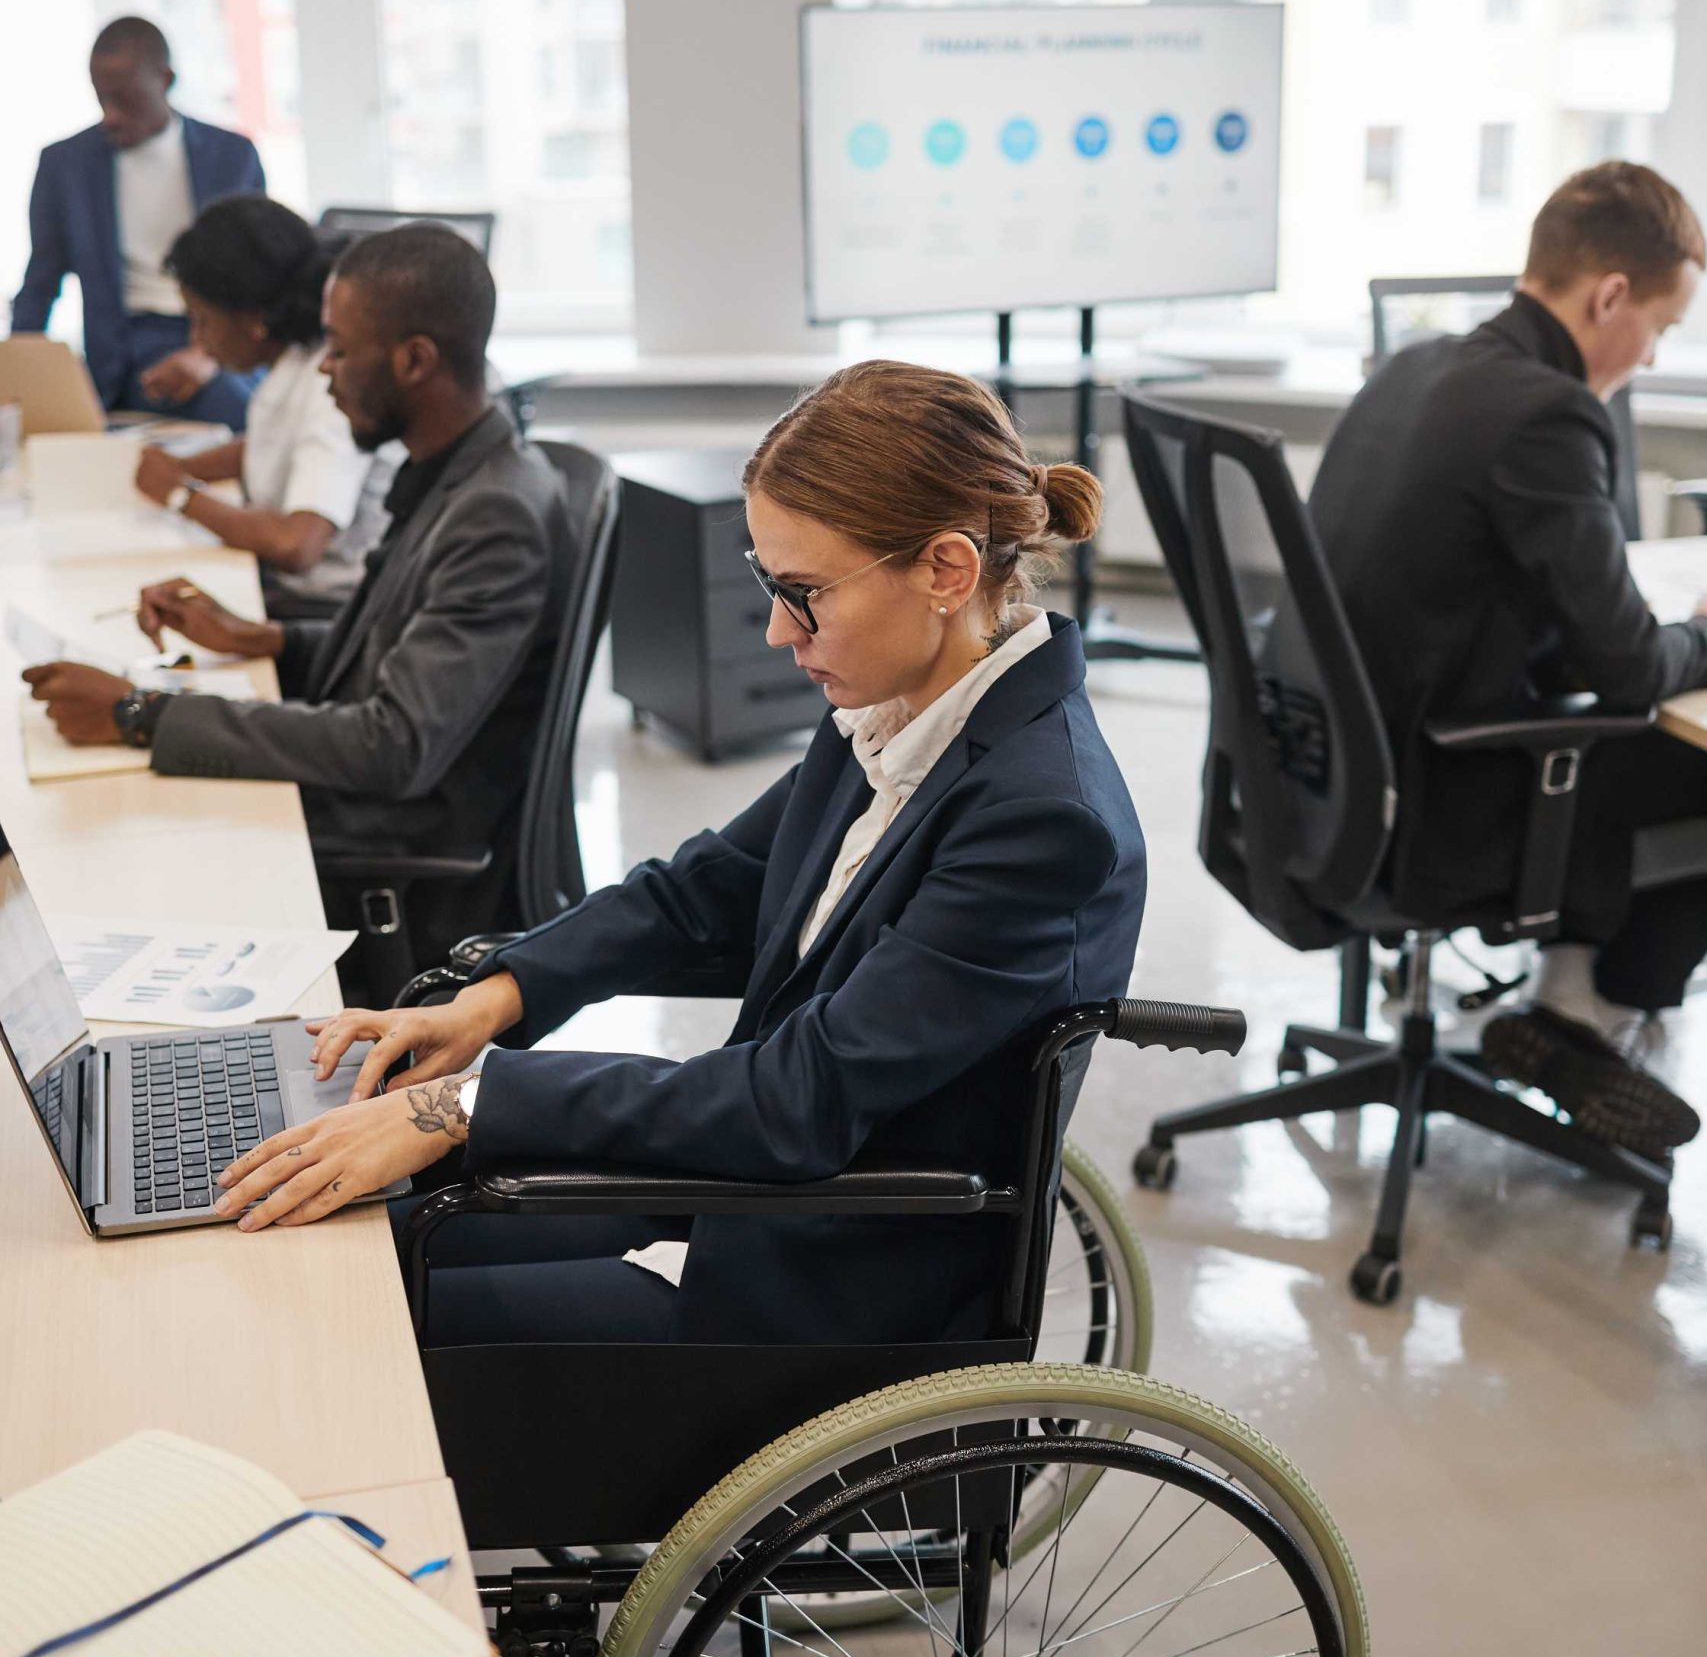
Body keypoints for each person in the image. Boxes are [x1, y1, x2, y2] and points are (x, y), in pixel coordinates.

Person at [199, 361, 1147, 1353]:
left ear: (948, 572)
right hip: (753, 1193)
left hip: (828, 1286)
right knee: (359, 1235)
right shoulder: (896, 699)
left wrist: (467, 1103)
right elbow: (700, 896)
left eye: (805, 594)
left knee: (358, 1320)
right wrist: (495, 997)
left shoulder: (1043, 823)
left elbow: (797, 1097)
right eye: (768, 586)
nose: (781, 631)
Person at [24, 224, 572, 994]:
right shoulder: (457, 473)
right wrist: (266, 636)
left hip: (405, 853)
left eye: (342, 350)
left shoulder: (494, 513)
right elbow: (402, 649)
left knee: (113, 847)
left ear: (414, 360)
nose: (324, 367)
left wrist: (140, 714)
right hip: (380, 807)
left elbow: (392, 744)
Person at [1308, 160, 1707, 1155]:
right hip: (1442, 800)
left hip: (1328, 773)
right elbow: (1628, 670)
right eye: (1660, 327)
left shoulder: (1419, 361)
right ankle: (1593, 1013)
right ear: (1609, 294)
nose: (1652, 354)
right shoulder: (1549, 414)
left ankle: (1568, 995)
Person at [131, 194, 393, 617]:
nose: (198, 341)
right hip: (304, 596)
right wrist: (183, 469)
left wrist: (181, 494)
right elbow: (273, 445)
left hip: (327, 610)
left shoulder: (328, 381)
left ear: (254, 320)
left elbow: (297, 544)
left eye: (203, 320)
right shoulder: (296, 361)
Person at [10, 16, 267, 424]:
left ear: (165, 79)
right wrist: (16, 381)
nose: (111, 115)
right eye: (101, 98)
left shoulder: (232, 157)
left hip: (213, 342)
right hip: (120, 349)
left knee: (239, 409)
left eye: (124, 99)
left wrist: (206, 355)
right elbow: (40, 284)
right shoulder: (65, 165)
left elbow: (262, 279)